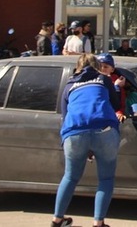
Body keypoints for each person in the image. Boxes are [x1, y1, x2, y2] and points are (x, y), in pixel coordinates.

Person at [51, 53, 121, 227]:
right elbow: (116, 104)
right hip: (103, 129)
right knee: (105, 179)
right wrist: (118, 87)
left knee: (70, 177)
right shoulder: (103, 80)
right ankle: (98, 223)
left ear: (78, 67)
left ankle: (57, 220)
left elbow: (65, 115)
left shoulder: (69, 85)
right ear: (97, 66)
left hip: (74, 131)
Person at [97, 53, 127, 122]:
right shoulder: (92, 81)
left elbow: (121, 101)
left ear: (112, 69)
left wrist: (120, 112)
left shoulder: (117, 81)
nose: (102, 69)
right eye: (99, 66)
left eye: (105, 67)